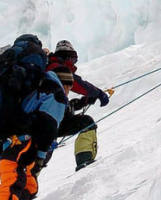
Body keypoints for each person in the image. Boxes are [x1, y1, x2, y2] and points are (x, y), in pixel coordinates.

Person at [0, 34, 68, 200]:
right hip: (24, 138)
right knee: (14, 177)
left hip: (6, 139)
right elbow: (49, 121)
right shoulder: (44, 80)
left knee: (27, 183)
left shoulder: (8, 79)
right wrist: (41, 154)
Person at [46, 40, 113, 171]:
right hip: (47, 122)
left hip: (44, 120)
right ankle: (85, 161)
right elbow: (78, 83)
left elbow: (54, 103)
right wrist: (98, 93)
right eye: (73, 60)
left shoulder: (47, 68)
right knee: (86, 123)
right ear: (68, 58)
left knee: (37, 157)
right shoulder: (56, 68)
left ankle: (23, 188)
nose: (74, 64)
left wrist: (82, 102)